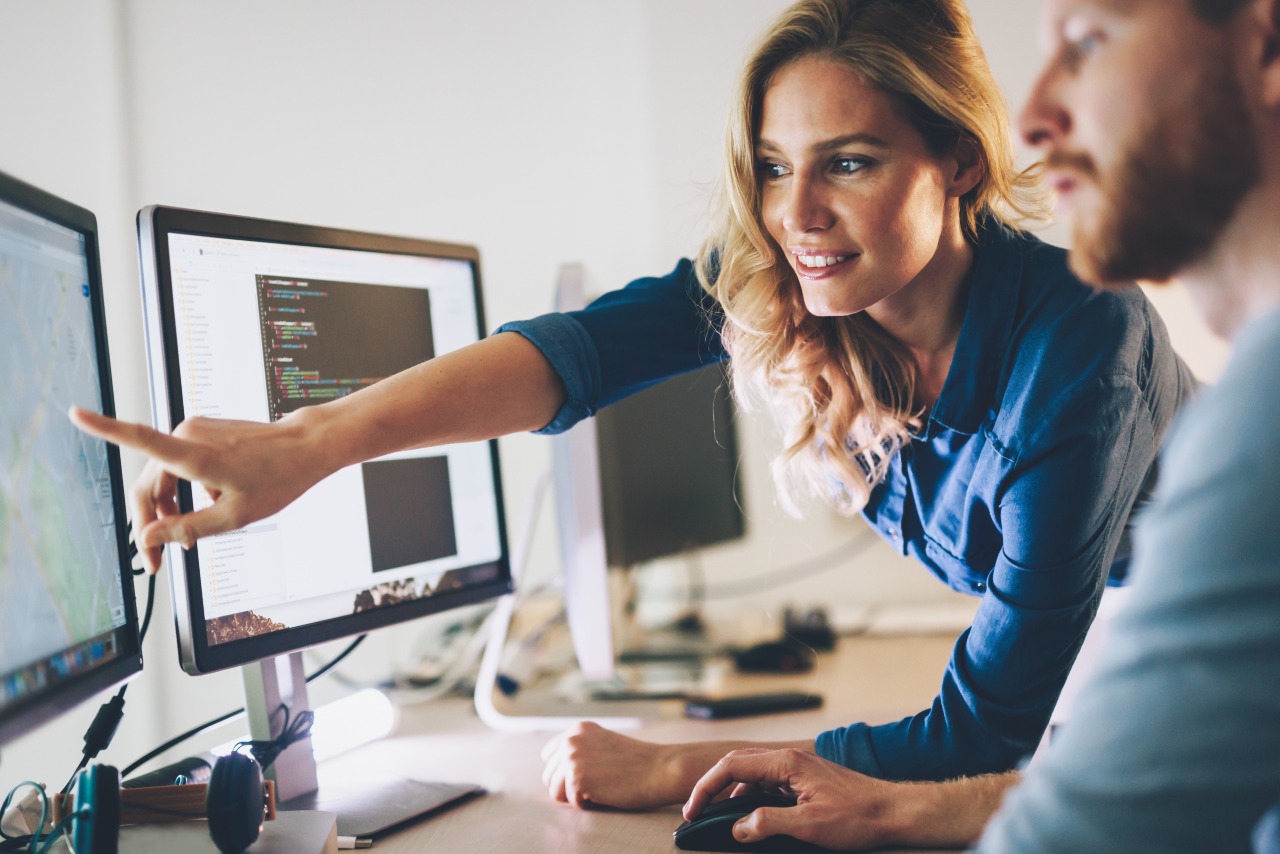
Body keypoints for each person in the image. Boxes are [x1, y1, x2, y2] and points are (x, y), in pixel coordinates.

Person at [71, 0, 1191, 810]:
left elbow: (976, 732)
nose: (793, 213)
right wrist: (310, 443)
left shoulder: (1078, 348)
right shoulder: (802, 277)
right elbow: (576, 356)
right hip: (1082, 664)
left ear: (954, 161)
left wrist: (671, 765)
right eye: (768, 165)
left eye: (845, 163)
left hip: (1210, 671)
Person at [680, 0, 1280, 851]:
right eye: (775, 167)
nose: (1033, 117)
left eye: (1088, 41)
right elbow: (1129, 784)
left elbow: (1097, 810)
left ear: (1265, 42)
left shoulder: (1236, 411)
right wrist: (891, 809)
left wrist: (685, 767)